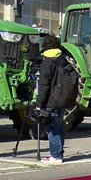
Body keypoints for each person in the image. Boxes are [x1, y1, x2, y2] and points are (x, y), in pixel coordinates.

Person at [36, 35, 69, 164]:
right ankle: (59, 154)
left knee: (52, 128)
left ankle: (55, 156)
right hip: (63, 99)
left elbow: (44, 85)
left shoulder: (47, 62)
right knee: (59, 127)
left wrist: (39, 103)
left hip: (51, 100)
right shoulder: (63, 60)